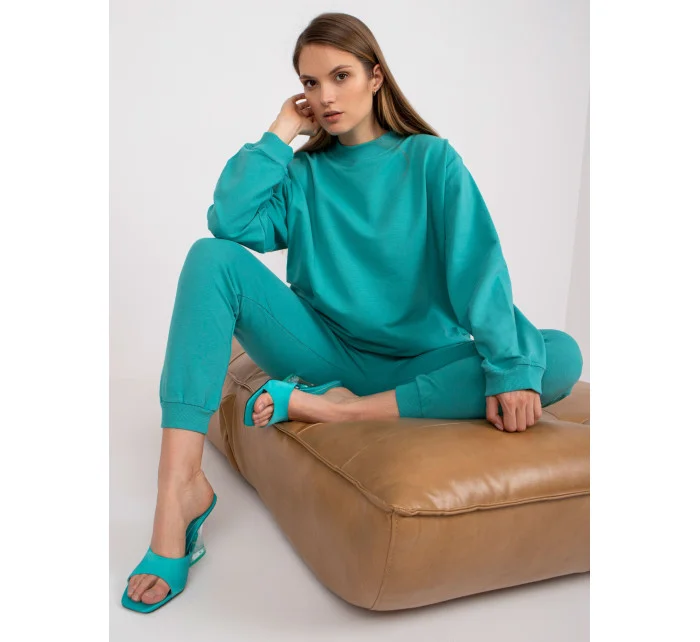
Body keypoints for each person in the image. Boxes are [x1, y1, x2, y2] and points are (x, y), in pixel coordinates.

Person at [123, 11, 584, 611]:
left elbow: (480, 269)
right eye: (310, 84)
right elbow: (229, 222)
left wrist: (510, 367)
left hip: (424, 361)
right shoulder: (304, 174)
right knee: (210, 258)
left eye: (340, 76)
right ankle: (178, 489)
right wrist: (280, 132)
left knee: (557, 355)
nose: (325, 96)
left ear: (375, 76)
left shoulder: (431, 160)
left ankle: (340, 410)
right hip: (325, 352)